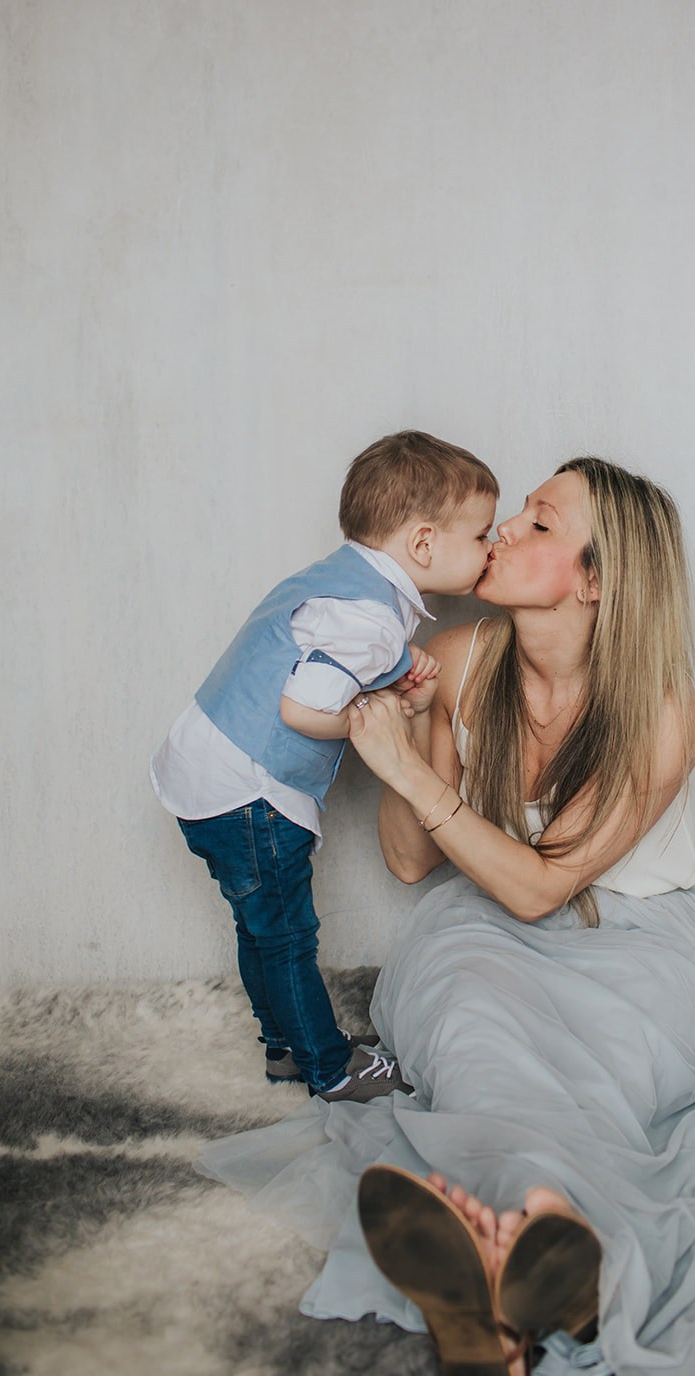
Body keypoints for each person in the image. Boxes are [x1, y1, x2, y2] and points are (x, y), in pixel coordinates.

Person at [195, 457, 695, 1374]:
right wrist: (406, 745)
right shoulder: (459, 660)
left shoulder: (664, 711)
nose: (503, 529)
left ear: (596, 579)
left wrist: (410, 767)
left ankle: (508, 1275)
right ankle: (537, 1242)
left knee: (606, 1079)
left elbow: (547, 888)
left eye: (540, 523)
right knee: (477, 1045)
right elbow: (409, 859)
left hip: (635, 942)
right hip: (483, 935)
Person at [150, 430, 498, 1102]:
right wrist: (387, 721)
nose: (491, 546)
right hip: (246, 786)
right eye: (481, 534)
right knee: (285, 934)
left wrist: (395, 680)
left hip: (207, 766)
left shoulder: (344, 579)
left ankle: (285, 1044)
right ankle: (329, 1068)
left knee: (259, 926)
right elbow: (303, 711)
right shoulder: (366, 616)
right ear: (423, 544)